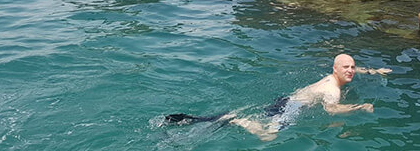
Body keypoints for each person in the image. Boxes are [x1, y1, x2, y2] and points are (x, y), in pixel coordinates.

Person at [165, 54, 391, 141]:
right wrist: (361, 106)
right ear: (335, 68)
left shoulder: (332, 77)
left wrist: (373, 71)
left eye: (353, 67)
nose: (351, 70)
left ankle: (221, 118)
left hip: (283, 100)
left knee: (266, 128)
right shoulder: (333, 90)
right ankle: (234, 119)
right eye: (347, 68)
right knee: (268, 137)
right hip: (290, 107)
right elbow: (331, 110)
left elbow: (353, 69)